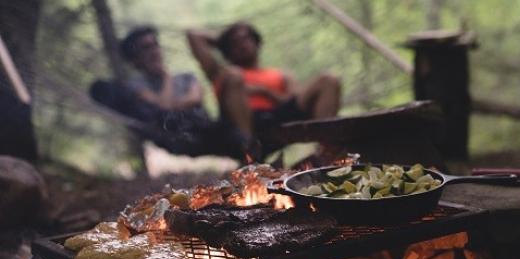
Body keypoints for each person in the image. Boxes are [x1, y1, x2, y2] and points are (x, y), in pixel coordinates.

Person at [90, 25, 250, 159]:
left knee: (234, 79)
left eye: (155, 45)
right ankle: (247, 148)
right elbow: (165, 108)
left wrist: (172, 102)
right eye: (146, 48)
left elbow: (195, 98)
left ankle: (248, 145)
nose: (154, 51)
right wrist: (165, 76)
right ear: (135, 59)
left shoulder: (186, 77)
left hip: (210, 128)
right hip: (180, 138)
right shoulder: (134, 87)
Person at [186, 22, 341, 152]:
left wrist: (265, 92)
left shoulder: (280, 75)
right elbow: (193, 35)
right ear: (227, 51)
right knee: (234, 75)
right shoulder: (221, 73)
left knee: (329, 79)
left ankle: (325, 149)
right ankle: (249, 149)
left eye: (245, 38)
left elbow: (295, 101)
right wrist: (223, 40)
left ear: (257, 42)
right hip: (241, 125)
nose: (241, 44)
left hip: (278, 116)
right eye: (234, 43)